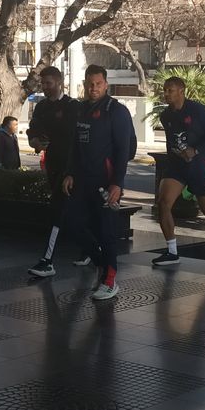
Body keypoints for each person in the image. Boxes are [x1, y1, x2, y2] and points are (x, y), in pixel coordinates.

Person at [62, 64, 135, 300]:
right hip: (82, 181)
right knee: (72, 224)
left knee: (106, 232)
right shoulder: (81, 109)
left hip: (106, 183)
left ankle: (110, 280)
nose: (94, 88)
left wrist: (117, 183)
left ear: (106, 84)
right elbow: (74, 145)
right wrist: (70, 172)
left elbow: (124, 150)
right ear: (85, 84)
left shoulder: (116, 111)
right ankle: (102, 264)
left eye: (98, 84)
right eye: (90, 84)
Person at [152, 76, 205, 265]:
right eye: (164, 90)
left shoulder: (197, 110)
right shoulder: (166, 115)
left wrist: (196, 151)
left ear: (181, 91)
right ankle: (172, 251)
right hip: (176, 166)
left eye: (170, 90)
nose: (166, 94)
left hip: (197, 166)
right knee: (163, 203)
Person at [26, 66, 81, 278]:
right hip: (53, 166)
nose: (45, 88)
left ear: (59, 82)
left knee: (58, 211)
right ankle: (93, 251)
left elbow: (80, 139)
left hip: (71, 168)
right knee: (76, 214)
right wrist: (36, 142)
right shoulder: (40, 108)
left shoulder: (73, 107)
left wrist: (74, 170)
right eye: (43, 84)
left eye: (48, 83)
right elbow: (33, 133)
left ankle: (47, 260)